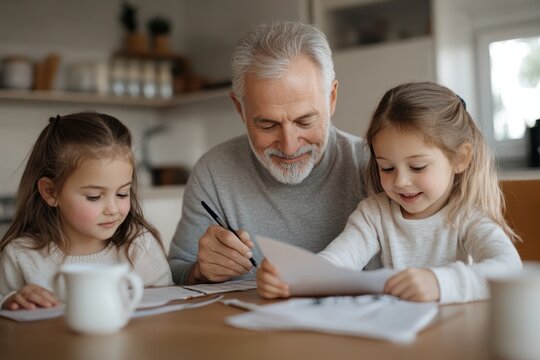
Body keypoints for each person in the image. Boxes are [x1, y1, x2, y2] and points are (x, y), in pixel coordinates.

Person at [257, 81, 523, 304]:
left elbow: (509, 269)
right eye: (387, 167)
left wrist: (440, 283)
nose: (401, 182)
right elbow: (337, 262)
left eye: (417, 166)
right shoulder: (374, 214)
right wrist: (296, 276)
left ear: (460, 159)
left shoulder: (467, 217)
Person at [168, 21, 370, 285]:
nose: (289, 146)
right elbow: (174, 273)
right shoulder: (214, 172)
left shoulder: (375, 167)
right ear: (240, 109)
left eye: (304, 121)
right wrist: (200, 271)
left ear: (331, 98)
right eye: (267, 124)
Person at [0, 112, 172, 311]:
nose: (113, 209)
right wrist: (8, 302)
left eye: (123, 194)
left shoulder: (139, 247)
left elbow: (166, 310)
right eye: (94, 197)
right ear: (50, 192)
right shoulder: (21, 256)